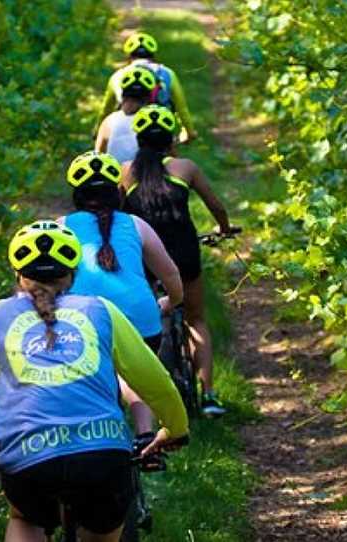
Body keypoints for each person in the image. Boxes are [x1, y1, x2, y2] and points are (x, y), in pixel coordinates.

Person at [0, 220, 189, 542]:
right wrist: (175, 427)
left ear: (18, 274)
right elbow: (155, 381)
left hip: (28, 458)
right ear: (72, 274)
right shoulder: (101, 310)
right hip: (103, 456)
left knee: (25, 518)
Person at [60, 150, 183, 437]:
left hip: (84, 319)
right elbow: (170, 274)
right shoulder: (137, 225)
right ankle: (145, 435)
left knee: (90, 379)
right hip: (141, 317)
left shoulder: (61, 227)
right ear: (119, 191)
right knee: (135, 376)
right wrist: (172, 301)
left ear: (76, 194)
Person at [121, 105, 233, 417]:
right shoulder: (186, 168)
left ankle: (147, 397)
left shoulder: (125, 171)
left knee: (144, 324)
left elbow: (118, 217)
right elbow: (216, 205)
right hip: (184, 254)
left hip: (144, 258)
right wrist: (223, 229)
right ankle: (208, 394)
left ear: (139, 139)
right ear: (172, 139)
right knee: (196, 320)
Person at [97, 31, 197, 143]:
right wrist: (189, 132)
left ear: (129, 56)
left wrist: (97, 131)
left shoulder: (117, 76)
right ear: (153, 55)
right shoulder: (168, 74)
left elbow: (106, 110)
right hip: (159, 132)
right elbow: (181, 109)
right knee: (171, 159)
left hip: (126, 131)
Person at [95, 66, 156, 164]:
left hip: (117, 176)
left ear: (122, 95)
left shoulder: (109, 122)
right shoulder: (156, 121)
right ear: (150, 96)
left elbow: (98, 156)